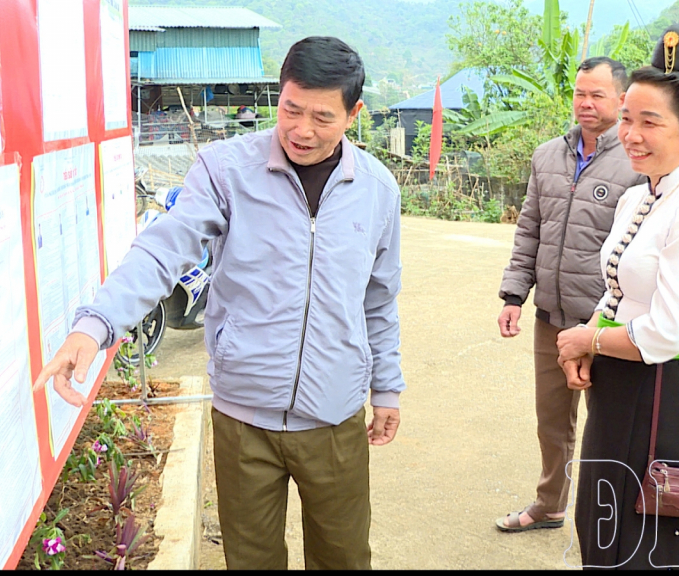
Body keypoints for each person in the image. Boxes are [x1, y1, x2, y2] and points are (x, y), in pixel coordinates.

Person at [34, 36, 404, 570]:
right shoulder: (226, 170)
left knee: (344, 558)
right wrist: (95, 325)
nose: (301, 130)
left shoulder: (377, 190)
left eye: (322, 117)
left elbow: (379, 300)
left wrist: (386, 386)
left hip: (334, 417)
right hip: (243, 418)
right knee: (250, 561)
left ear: (354, 113)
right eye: (291, 109)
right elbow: (164, 249)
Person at [555, 24, 679, 568]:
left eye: (650, 122)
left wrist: (587, 339)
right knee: (601, 526)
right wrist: (589, 339)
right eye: (627, 119)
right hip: (620, 381)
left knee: (647, 543)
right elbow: (616, 287)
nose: (632, 134)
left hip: (670, 391)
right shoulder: (637, 196)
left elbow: (665, 332)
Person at [495, 56, 643, 532]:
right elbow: (529, 230)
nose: (586, 103)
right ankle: (550, 504)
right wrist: (514, 295)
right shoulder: (547, 156)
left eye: (598, 94)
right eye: (580, 93)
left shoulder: (637, 161)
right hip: (552, 316)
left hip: (609, 323)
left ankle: (609, 518)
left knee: (611, 425)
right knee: (553, 422)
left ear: (622, 99)